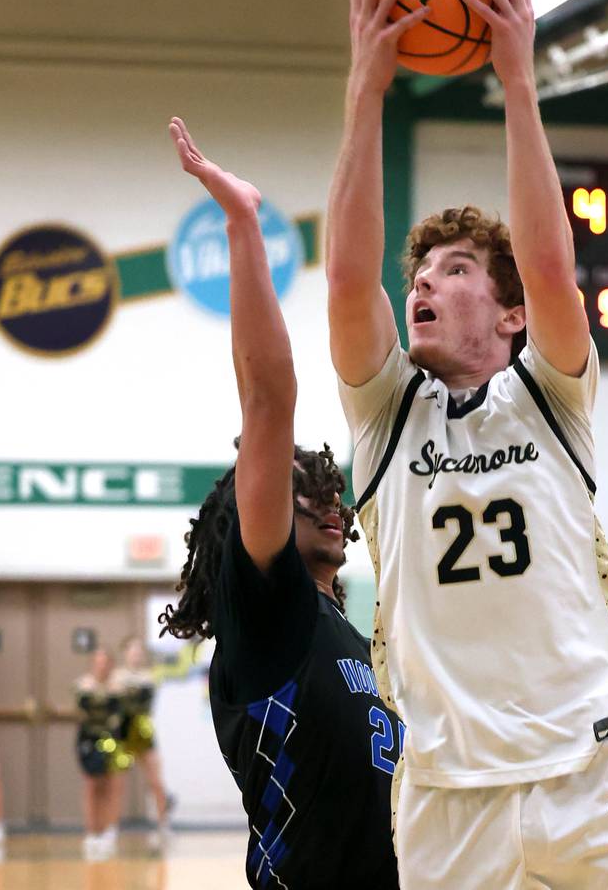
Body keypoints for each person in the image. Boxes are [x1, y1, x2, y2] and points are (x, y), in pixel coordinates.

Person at [326, 0, 608, 888]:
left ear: (511, 314)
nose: (423, 283)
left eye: (456, 270)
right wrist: (368, 82)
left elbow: (553, 268)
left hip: (586, 770)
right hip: (447, 790)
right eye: (421, 273)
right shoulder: (387, 412)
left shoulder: (551, 394)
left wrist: (519, 77)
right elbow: (349, 277)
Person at [159, 118, 400, 890]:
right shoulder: (268, 615)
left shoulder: (353, 634)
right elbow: (268, 400)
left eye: (330, 490)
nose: (328, 505)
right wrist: (243, 226)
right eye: (303, 498)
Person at [113, 636, 174, 849]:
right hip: (123, 733)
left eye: (139, 650)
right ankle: (111, 827)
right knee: (117, 783)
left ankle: (163, 824)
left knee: (156, 781)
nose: (136, 654)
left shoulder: (149, 676)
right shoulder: (117, 676)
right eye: (132, 650)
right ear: (125, 652)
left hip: (144, 732)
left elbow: (148, 692)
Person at [74, 648, 129, 861]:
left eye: (106, 662)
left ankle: (110, 830)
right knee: (91, 785)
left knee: (113, 785)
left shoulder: (119, 687)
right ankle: (92, 832)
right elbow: (83, 710)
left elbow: (122, 713)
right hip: (89, 738)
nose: (102, 666)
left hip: (113, 739)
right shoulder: (83, 685)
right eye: (98, 661)